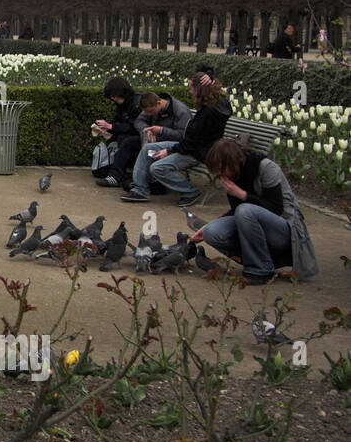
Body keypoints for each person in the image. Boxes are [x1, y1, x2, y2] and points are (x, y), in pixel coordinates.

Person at [191, 138, 318, 285]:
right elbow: (235, 211)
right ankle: (257, 260)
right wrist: (209, 225)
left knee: (246, 211)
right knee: (212, 232)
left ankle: (261, 270)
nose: (219, 174)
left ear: (232, 162)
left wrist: (241, 194)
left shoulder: (266, 168)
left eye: (221, 169)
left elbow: (276, 208)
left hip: (285, 228)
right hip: (253, 222)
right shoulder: (233, 174)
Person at [122, 72, 232, 206]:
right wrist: (210, 77)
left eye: (192, 88)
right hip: (194, 147)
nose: (190, 91)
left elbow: (192, 144)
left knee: (157, 168)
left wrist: (169, 151)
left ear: (200, 89)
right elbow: (191, 140)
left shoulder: (207, 113)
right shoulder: (220, 104)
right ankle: (140, 190)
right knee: (147, 149)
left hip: (199, 153)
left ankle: (190, 191)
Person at [92, 77, 146, 188]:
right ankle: (115, 172)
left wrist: (111, 126)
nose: (112, 99)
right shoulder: (123, 104)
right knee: (116, 139)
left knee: (126, 141)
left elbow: (135, 127)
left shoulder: (136, 103)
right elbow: (119, 121)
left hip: (141, 136)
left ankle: (115, 176)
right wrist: (106, 127)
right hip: (133, 135)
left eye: (113, 96)